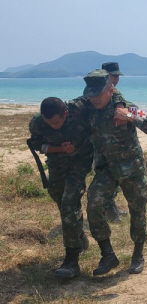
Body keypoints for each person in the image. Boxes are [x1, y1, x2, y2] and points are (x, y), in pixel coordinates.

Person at [83, 69, 147, 275]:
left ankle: (138, 254)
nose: (94, 98)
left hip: (131, 169)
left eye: (98, 93)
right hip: (107, 170)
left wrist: (131, 118)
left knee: (137, 211)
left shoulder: (129, 108)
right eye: (91, 94)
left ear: (111, 90)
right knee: (93, 205)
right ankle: (108, 254)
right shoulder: (89, 109)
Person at [28, 97, 93, 279]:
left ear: (65, 113)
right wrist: (59, 149)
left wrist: (127, 111)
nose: (53, 126)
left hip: (80, 164)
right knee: (60, 199)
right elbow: (36, 144)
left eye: (56, 122)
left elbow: (105, 100)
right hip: (57, 165)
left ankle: (71, 260)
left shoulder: (79, 110)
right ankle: (78, 237)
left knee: (69, 205)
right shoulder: (38, 123)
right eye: (49, 123)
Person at [100, 62, 127, 222]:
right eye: (113, 75)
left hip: (114, 143)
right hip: (103, 144)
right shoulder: (99, 92)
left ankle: (111, 209)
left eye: (117, 75)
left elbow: (125, 108)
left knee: (115, 180)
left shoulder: (114, 92)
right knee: (107, 179)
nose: (116, 78)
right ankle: (108, 211)